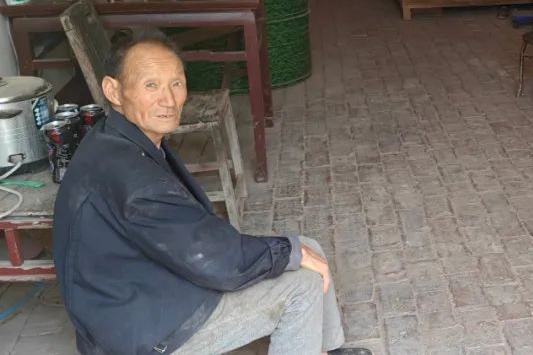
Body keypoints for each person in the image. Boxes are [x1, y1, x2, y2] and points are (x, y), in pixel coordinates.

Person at [52, 31, 369, 355]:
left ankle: (327, 349)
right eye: (151, 85)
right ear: (113, 90)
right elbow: (216, 261)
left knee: (305, 248)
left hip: (146, 290)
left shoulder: (119, 138)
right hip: (140, 330)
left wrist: (291, 251)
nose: (169, 99)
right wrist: (285, 254)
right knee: (301, 286)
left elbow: (191, 241)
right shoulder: (133, 178)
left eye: (176, 83)